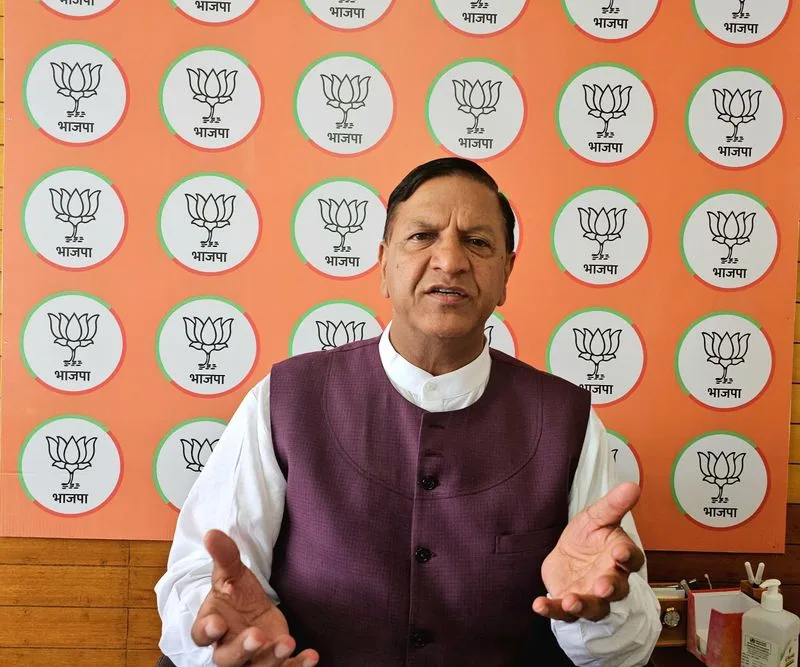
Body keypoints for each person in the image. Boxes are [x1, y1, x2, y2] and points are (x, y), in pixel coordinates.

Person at [155, 157, 662, 666]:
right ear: (383, 264)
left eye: (477, 242)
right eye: (422, 236)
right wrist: (225, 637)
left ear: (506, 273)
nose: (450, 260)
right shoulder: (285, 399)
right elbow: (205, 581)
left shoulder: (567, 421)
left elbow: (630, 645)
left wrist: (599, 615)